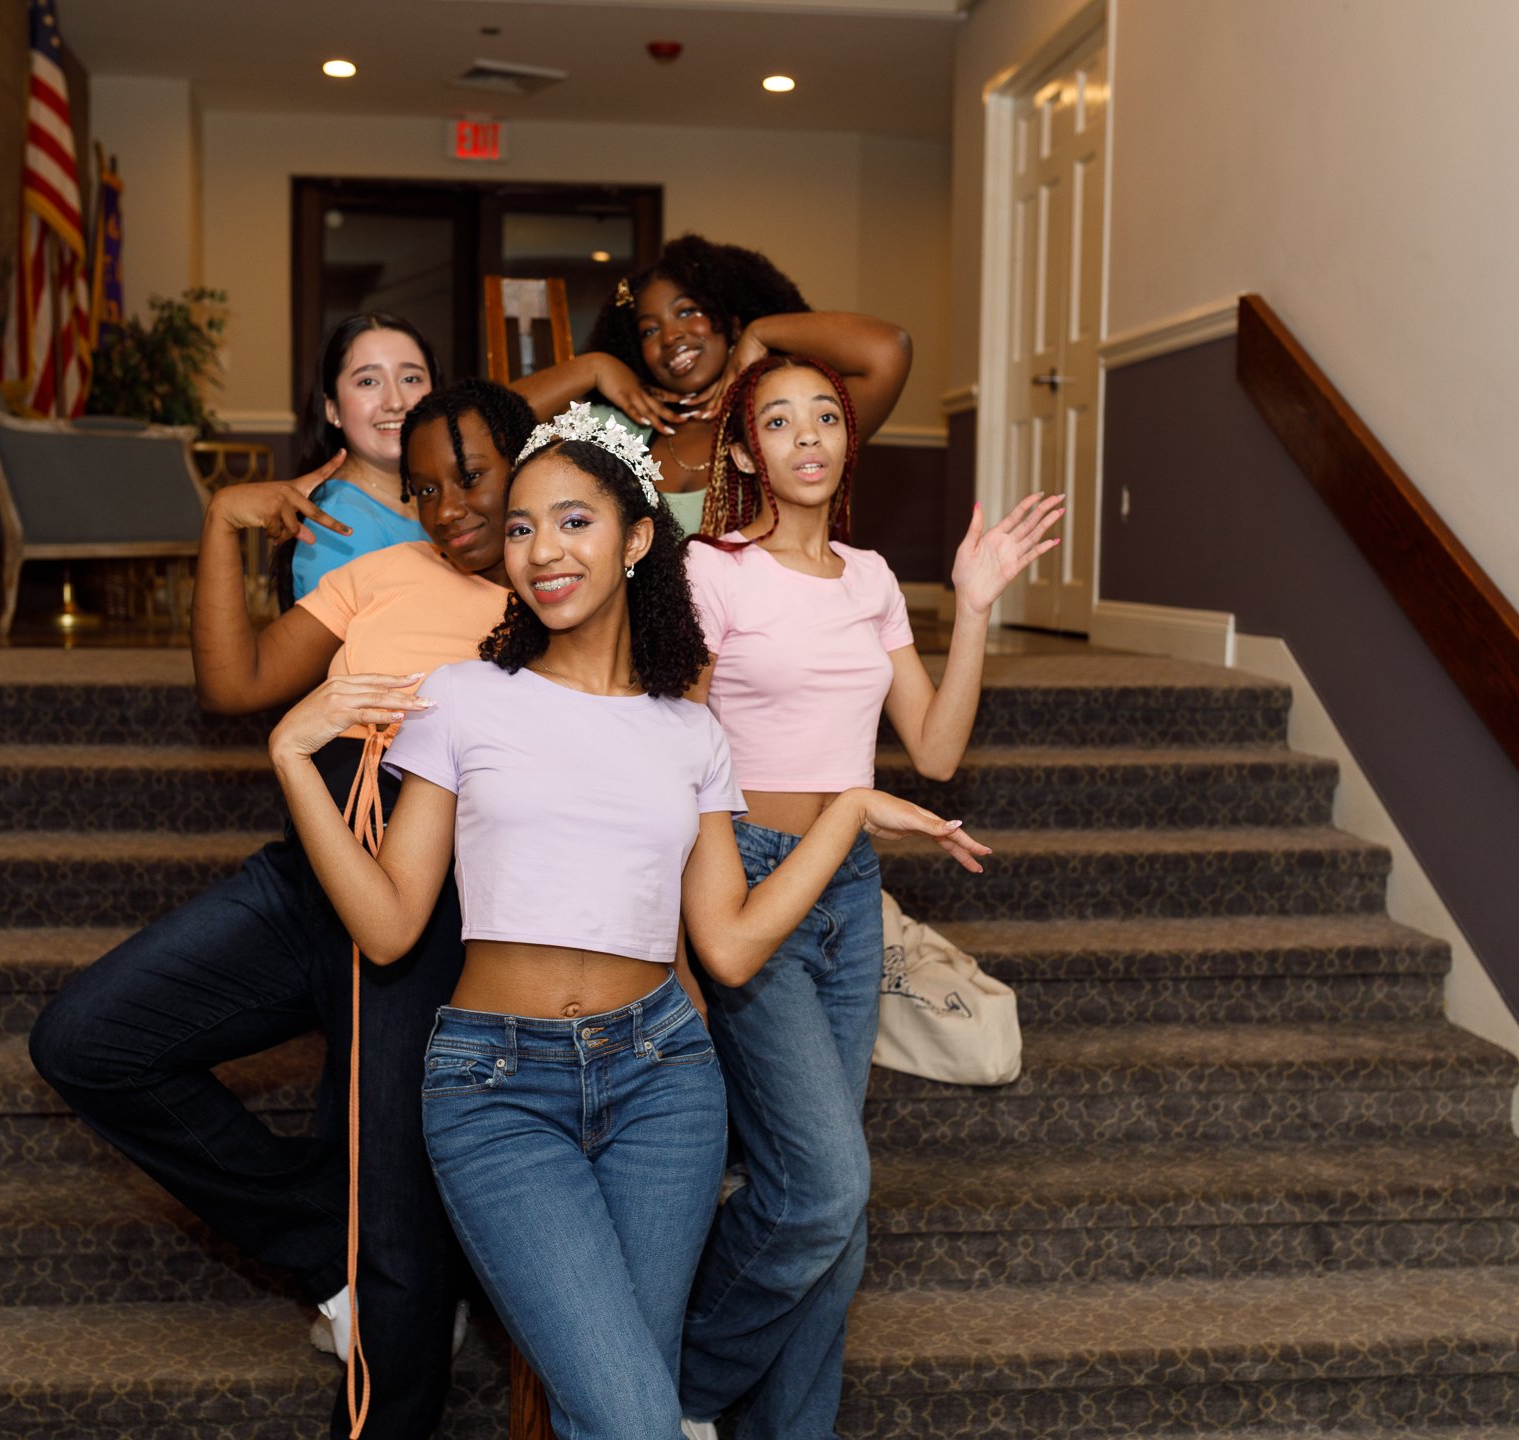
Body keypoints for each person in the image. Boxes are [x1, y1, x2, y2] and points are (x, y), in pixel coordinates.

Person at [264, 406, 988, 1440]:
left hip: (663, 1085)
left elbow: (731, 944)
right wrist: (295, 761)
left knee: (611, 1414)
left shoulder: (690, 730)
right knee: (636, 1420)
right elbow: (386, 928)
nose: (543, 550)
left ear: (637, 537)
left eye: (572, 522)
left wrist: (848, 815)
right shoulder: (463, 699)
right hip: (496, 1091)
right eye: (520, 528)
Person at [29, 379, 536, 1440]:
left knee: (394, 1220)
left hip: (425, 895)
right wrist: (220, 522)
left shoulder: (556, 600)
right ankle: (325, 1236)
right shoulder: (380, 570)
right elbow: (236, 681)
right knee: (87, 1038)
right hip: (308, 861)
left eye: (475, 478)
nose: (448, 509)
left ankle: (386, 1293)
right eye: (428, 485)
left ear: (528, 470)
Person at [677, 356, 1066, 1440]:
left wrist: (976, 606)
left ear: (848, 442)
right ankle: (675, 1397)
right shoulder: (712, 572)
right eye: (779, 419)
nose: (808, 435)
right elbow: (677, 746)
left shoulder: (874, 577)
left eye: (827, 417)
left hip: (850, 897)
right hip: (750, 877)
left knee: (831, 1213)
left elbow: (935, 753)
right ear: (748, 450)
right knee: (825, 1191)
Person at [508, 234, 911, 534]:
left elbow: (888, 350)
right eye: (649, 331)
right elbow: (487, 426)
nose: (671, 336)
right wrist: (592, 368)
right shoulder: (621, 429)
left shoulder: (785, 423)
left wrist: (759, 333)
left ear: (728, 321)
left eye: (689, 311)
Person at [284, 312, 437, 603]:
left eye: (410, 378)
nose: (395, 402)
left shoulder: (435, 498)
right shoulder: (342, 523)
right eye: (368, 382)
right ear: (333, 410)